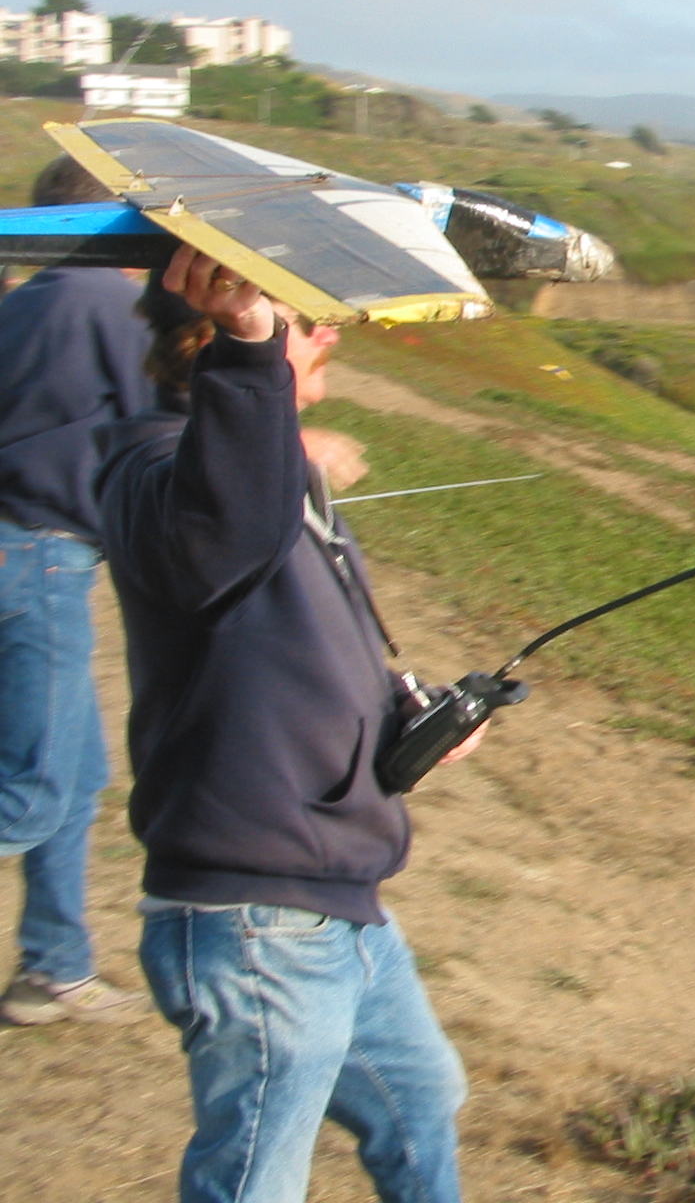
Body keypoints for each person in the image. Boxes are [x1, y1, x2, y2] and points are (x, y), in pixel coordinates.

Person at [97, 247, 479, 1203]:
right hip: (255, 913)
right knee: (255, 1182)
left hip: (339, 894)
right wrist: (249, 341)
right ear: (215, 327)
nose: (330, 333)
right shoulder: (153, 470)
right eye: (308, 318)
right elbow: (219, 543)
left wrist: (403, 709)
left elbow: (307, 634)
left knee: (422, 1098)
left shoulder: (281, 479)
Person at [0, 154, 156, 1026]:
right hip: (41, 558)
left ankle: (52, 968)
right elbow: (161, 415)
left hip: (26, 552)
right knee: (35, 786)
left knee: (77, 769)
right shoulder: (108, 304)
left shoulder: (24, 301)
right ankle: (52, 968)